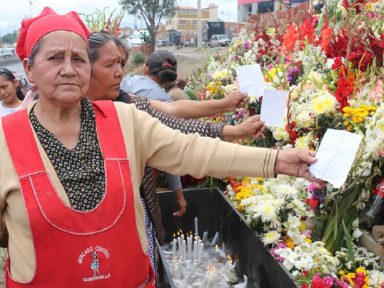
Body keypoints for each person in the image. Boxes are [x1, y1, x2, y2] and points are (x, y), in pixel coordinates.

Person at [1, 7, 318, 287]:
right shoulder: (5, 139)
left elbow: (193, 150)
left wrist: (277, 160)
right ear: (28, 68)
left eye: (78, 59)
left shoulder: (126, 119)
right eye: (55, 58)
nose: (68, 69)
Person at [86, 31, 266, 277]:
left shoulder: (128, 104)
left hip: (136, 218)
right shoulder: (64, 123)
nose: (119, 72)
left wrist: (230, 121)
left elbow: (174, 120)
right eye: (110, 64)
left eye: (121, 63)